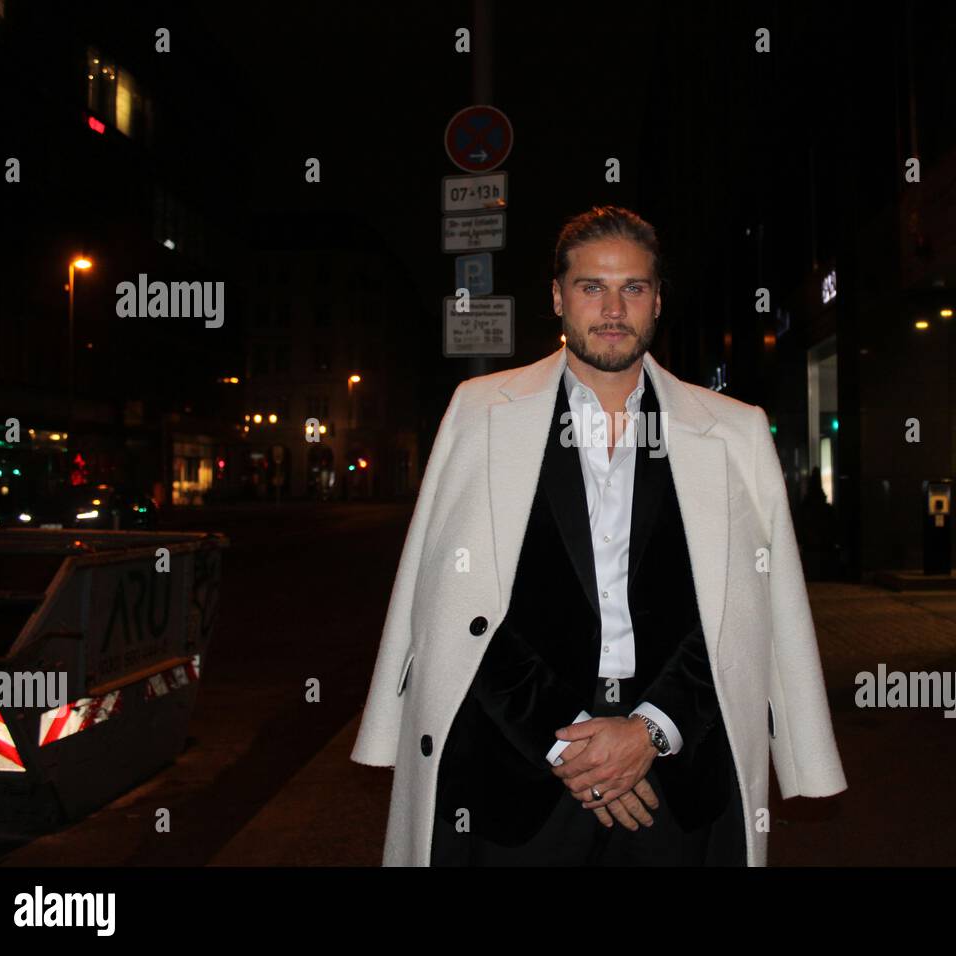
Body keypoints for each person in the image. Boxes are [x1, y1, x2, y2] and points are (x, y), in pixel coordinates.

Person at [351, 205, 847, 866]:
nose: (613, 308)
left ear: (658, 300)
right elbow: (455, 607)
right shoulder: (481, 412)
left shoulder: (733, 430)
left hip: (680, 776)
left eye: (633, 288)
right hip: (513, 774)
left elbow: (743, 611)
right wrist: (573, 742)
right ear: (558, 297)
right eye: (592, 287)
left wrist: (648, 731)